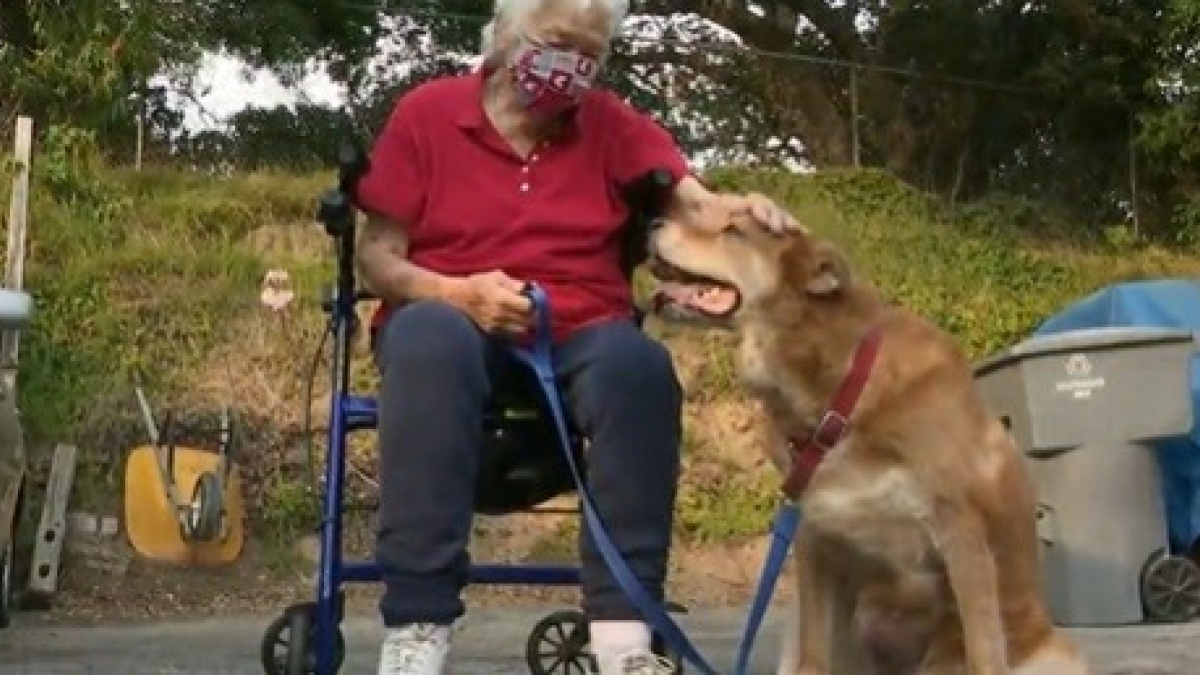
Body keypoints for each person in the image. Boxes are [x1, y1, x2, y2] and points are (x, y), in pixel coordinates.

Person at [353, 0, 798, 673]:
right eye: (559, 44)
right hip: (451, 313)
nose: (572, 70)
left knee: (638, 367)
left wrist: (736, 208)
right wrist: (458, 292)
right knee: (430, 340)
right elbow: (378, 258)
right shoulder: (428, 113)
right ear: (506, 35)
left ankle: (623, 641)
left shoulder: (611, 125)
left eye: (591, 55)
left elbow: (692, 200)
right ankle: (416, 627)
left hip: (581, 326)